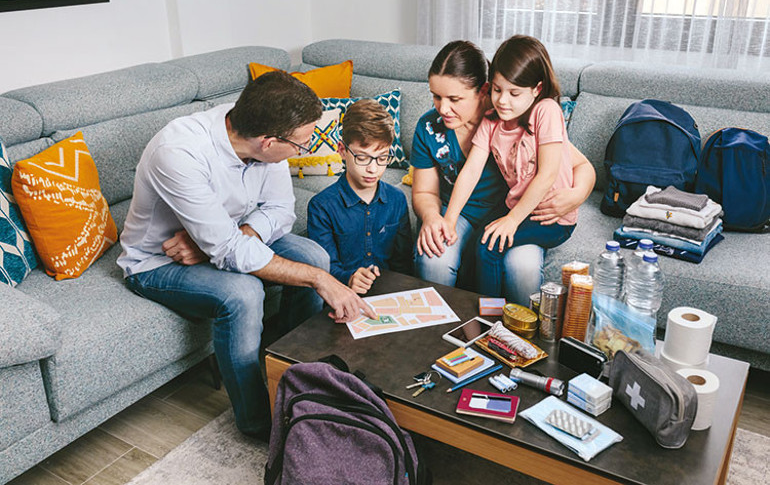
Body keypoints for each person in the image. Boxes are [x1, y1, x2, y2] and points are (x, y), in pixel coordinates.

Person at [117, 71, 376, 441]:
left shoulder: (257, 128)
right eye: (301, 146)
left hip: (229, 234)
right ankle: (258, 423)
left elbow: (281, 209)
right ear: (269, 143)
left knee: (314, 256)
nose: (303, 150)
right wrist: (321, 281)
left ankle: (292, 376)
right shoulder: (178, 152)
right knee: (244, 295)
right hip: (156, 263)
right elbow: (226, 250)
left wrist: (227, 238)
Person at [411, 40, 595, 304]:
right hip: (472, 212)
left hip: (522, 213)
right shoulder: (455, 124)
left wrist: (576, 195)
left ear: (482, 90)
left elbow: (575, 165)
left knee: (517, 264)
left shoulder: (526, 114)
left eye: (455, 99)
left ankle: (513, 330)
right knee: (437, 259)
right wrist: (440, 219)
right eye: (436, 96)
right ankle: (445, 332)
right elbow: (441, 184)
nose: (443, 108)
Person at [307, 99, 413, 294]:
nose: (373, 169)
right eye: (362, 157)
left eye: (382, 158)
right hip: (341, 294)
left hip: (389, 296)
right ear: (342, 151)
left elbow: (403, 263)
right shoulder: (321, 206)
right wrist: (350, 278)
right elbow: (324, 268)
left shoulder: (397, 199)